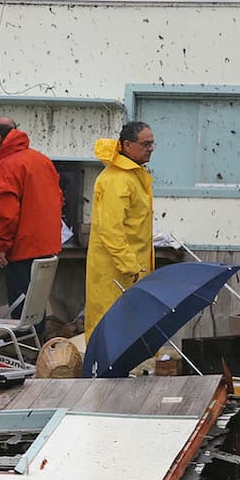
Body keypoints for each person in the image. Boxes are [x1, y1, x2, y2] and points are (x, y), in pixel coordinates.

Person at [0, 117, 63, 337]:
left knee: (21, 312)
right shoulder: (41, 160)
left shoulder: (7, 166)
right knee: (36, 310)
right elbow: (58, 198)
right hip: (47, 247)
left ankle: (25, 361)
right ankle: (37, 358)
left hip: (22, 250)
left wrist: (1, 246)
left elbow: (6, 215)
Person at [84, 121, 154, 343]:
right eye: (146, 144)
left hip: (130, 269)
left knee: (126, 329)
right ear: (127, 145)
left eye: (152, 143)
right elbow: (110, 230)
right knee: (111, 330)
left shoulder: (132, 175)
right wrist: (130, 266)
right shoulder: (117, 179)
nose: (151, 148)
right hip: (118, 271)